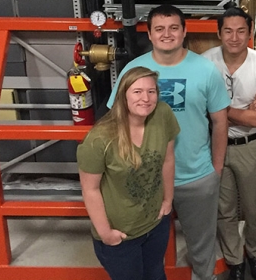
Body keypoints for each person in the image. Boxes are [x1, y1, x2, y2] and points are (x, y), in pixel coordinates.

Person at [105, 5, 230, 280]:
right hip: (146, 179)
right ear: (149, 34)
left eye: (174, 28)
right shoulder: (133, 70)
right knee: (147, 251)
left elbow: (220, 122)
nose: (167, 34)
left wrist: (215, 170)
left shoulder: (206, 70)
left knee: (202, 249)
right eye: (159, 29)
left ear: (184, 31)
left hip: (196, 176)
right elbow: (116, 121)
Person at [78, 67, 179, 280]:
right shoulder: (99, 139)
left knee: (156, 275)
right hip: (122, 234)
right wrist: (106, 234)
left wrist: (168, 200)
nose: (146, 98)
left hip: (155, 224)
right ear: (123, 95)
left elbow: (168, 159)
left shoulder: (162, 114)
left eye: (151, 92)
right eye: (137, 92)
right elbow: (90, 189)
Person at [201, 7, 256, 280]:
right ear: (219, 33)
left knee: (255, 206)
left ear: (249, 33)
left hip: (250, 146)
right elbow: (199, 110)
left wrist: (218, 111)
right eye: (228, 31)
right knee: (224, 208)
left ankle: (254, 254)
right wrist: (238, 112)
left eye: (241, 31)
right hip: (214, 146)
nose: (234, 37)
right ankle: (234, 260)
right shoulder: (205, 63)